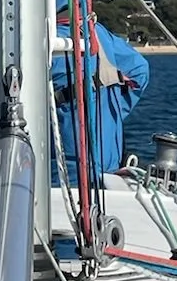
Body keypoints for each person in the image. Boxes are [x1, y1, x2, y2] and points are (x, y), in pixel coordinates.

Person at [51, 9, 149, 176]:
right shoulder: (98, 34)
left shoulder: (31, 41)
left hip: (56, 168)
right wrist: (112, 112)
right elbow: (140, 72)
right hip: (106, 162)